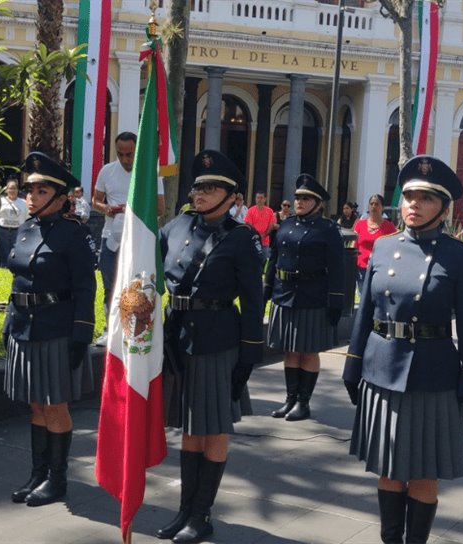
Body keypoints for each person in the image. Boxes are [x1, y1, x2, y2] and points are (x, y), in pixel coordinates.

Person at [343, 155, 463, 544]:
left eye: (425, 199)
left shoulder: (459, 255)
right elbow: (364, 313)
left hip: (432, 374)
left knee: (423, 470)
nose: (414, 205)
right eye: (408, 197)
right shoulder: (384, 248)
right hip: (382, 367)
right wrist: (352, 366)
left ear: (442, 208)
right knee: (389, 467)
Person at [156, 150, 263, 543]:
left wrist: (250, 354)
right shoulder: (176, 227)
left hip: (218, 340)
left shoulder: (241, 239)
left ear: (232, 196)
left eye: (211, 187)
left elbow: (254, 301)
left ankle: (202, 514)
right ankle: (185, 509)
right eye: (198, 186)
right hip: (178, 336)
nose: (201, 193)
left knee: (214, 427)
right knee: (189, 426)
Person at [4, 152, 97, 506]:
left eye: (41, 191)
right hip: (24, 326)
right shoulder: (26, 228)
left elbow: (86, 289)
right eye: (29, 190)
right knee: (35, 406)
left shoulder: (74, 234)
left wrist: (81, 334)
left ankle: (57, 480)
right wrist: (8, 324)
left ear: (60, 198)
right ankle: (37, 473)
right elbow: (17, 280)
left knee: (54, 406)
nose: (31, 197)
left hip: (56, 328)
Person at [264, 174, 344, 422]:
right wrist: (266, 289)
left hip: (312, 296)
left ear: (318, 203)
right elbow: (273, 259)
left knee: (308, 351)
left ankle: (303, 402)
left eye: (306, 198)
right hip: (284, 294)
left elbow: (338, 268)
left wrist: (336, 301)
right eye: (297, 197)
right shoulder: (285, 225)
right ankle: (289, 399)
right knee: (289, 351)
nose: (299, 201)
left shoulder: (328, 229)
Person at [92, 131, 166, 346]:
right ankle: (110, 329)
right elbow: (96, 200)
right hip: (111, 238)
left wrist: (135, 210)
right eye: (121, 154)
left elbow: (160, 208)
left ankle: (137, 329)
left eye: (130, 154)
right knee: (110, 286)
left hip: (139, 240)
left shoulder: (151, 172)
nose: (125, 159)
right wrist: (105, 207)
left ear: (138, 151)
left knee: (138, 287)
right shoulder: (107, 171)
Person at [353, 194, 397, 298]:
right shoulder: (360, 224)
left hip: (380, 268)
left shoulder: (389, 227)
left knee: (377, 297)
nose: (373, 206)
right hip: (361, 268)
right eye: (371, 204)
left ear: (382, 207)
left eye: (377, 204)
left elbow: (393, 247)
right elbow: (354, 245)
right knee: (363, 297)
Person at [0, 176, 27, 267]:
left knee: (15, 255)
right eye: (10, 188)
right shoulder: (0, 201)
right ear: (6, 190)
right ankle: (4, 273)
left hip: (18, 232)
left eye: (15, 188)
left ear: (18, 190)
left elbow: (27, 220)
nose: (12, 191)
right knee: (4, 255)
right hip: (2, 232)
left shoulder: (24, 203)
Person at [244, 190, 276, 263]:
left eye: (261, 198)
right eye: (257, 198)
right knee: (252, 261)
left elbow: (271, 225)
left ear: (265, 199)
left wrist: (263, 235)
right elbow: (248, 224)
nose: (259, 200)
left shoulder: (270, 211)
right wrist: (257, 235)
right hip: (253, 240)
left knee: (265, 262)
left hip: (265, 242)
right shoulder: (250, 210)